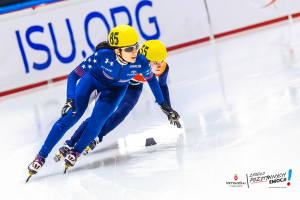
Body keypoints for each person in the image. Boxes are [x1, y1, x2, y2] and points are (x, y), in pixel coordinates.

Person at [26, 25, 180, 182]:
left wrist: (164, 106)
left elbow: (154, 82)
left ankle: (77, 151)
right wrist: (70, 99)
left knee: (97, 121)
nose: (135, 52)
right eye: (129, 49)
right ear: (117, 51)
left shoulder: (141, 63)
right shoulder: (101, 56)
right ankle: (41, 156)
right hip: (93, 80)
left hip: (117, 88)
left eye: (136, 47)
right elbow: (74, 75)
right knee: (69, 117)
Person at [54, 40, 180, 163]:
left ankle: (98, 137)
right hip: (116, 84)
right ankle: (71, 142)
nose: (159, 66)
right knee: (100, 114)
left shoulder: (163, 69)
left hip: (134, 87)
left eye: (162, 62)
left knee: (124, 109)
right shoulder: (133, 63)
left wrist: (168, 109)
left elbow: (162, 86)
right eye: (155, 62)